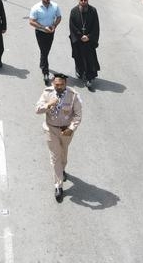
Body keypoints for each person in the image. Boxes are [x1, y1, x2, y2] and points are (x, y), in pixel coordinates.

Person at [35, 73, 83, 203]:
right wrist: (49, 104)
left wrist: (71, 128)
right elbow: (37, 109)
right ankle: (58, 186)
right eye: (57, 84)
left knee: (63, 153)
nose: (59, 87)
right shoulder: (47, 93)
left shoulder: (73, 95)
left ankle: (62, 169)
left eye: (62, 84)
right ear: (53, 83)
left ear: (65, 84)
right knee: (55, 156)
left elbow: (78, 115)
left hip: (66, 130)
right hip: (51, 129)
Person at [29, 0, 62, 86]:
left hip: (51, 32)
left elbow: (59, 17)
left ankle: (42, 62)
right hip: (41, 32)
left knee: (46, 50)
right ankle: (45, 72)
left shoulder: (55, 6)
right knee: (44, 51)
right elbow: (31, 21)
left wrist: (54, 26)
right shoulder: (36, 8)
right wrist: (43, 27)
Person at [68, 0, 101, 90]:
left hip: (89, 41)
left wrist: (89, 36)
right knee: (78, 57)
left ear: (88, 0)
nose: (83, 2)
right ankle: (80, 71)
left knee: (90, 60)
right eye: (81, 0)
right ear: (78, 1)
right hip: (78, 40)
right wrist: (80, 36)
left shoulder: (93, 10)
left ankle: (89, 78)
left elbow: (96, 26)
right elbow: (72, 26)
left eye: (85, 0)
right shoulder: (74, 11)